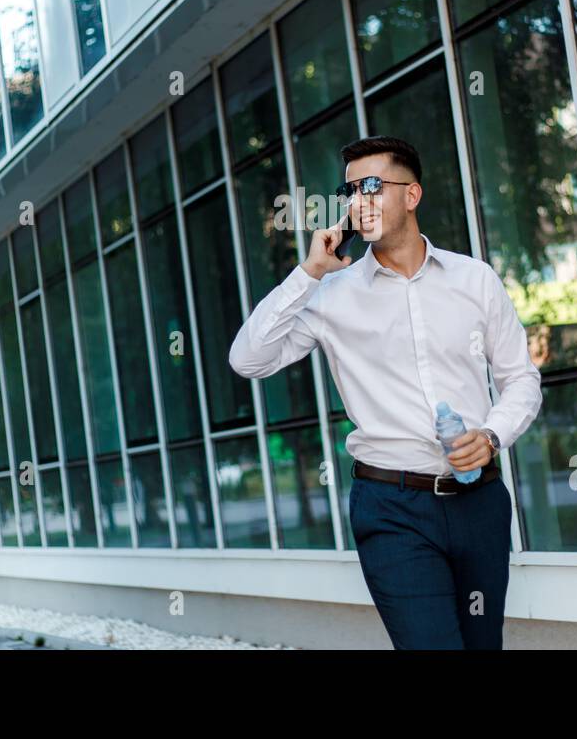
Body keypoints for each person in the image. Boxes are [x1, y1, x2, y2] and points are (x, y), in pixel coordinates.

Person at [228, 135, 542, 649]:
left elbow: (521, 379)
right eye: (349, 190)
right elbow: (248, 359)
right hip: (391, 507)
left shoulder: (475, 280)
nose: (358, 201)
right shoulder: (330, 295)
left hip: (479, 501)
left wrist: (490, 436)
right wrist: (308, 273)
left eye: (371, 185)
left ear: (412, 195)